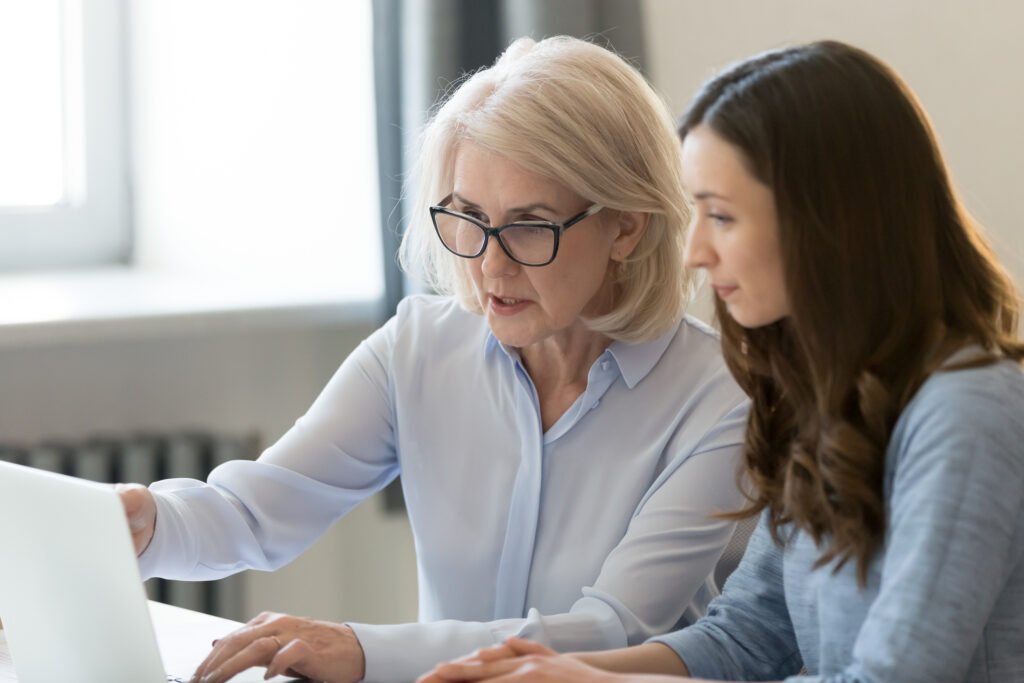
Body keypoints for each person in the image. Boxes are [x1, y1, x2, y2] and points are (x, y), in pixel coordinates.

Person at [116, 36, 750, 683]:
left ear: (626, 226)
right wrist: (150, 520)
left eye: (529, 224)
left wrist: (361, 649)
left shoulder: (719, 398)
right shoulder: (419, 346)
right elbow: (256, 509)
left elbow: (613, 627)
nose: (489, 264)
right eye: (469, 216)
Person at [423, 40, 1024, 683]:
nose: (695, 252)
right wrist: (554, 670)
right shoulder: (824, 404)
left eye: (721, 216)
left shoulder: (967, 411)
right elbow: (747, 639)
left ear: (827, 225)